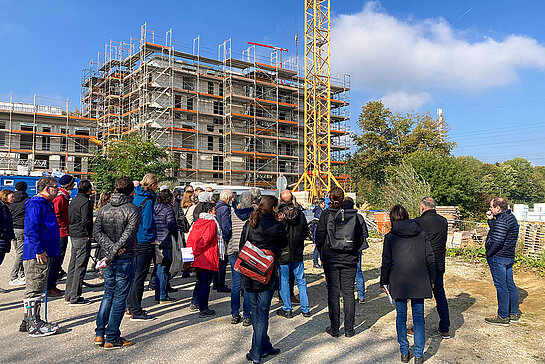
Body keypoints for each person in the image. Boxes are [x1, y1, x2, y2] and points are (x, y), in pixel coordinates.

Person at [380, 204, 436, 364]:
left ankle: (404, 352)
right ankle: (418, 355)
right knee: (418, 317)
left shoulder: (390, 237)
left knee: (401, 317)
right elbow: (430, 257)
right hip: (419, 279)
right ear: (406, 216)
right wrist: (432, 279)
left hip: (399, 280)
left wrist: (383, 282)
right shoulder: (421, 233)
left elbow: (386, 262)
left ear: (392, 219)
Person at [93, 177, 141, 349]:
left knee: (109, 293)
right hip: (123, 256)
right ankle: (111, 335)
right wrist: (114, 249)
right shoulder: (132, 209)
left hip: (111, 255)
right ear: (131, 191)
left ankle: (100, 333)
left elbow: (98, 232)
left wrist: (111, 249)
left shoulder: (104, 208)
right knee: (119, 296)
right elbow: (128, 233)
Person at [241, 195, 287, 364]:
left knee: (256, 313)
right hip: (266, 273)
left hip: (250, 271)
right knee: (262, 314)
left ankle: (264, 346)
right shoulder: (276, 225)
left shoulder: (250, 223)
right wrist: (281, 224)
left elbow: (242, 246)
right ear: (273, 208)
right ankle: (257, 352)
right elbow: (284, 243)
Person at [315, 187, 363, 338]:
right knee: (349, 293)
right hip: (349, 257)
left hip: (331, 258)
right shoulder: (353, 215)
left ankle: (335, 328)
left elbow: (319, 236)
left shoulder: (325, 214)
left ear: (329, 198)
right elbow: (360, 238)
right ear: (343, 199)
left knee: (333, 293)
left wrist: (322, 252)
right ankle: (349, 329)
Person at [22, 176, 60, 337]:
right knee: (35, 287)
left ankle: (27, 321)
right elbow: (31, 228)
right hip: (37, 253)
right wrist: (38, 249)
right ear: (46, 187)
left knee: (37, 286)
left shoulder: (45, 204)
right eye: (54, 187)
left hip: (45, 250)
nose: (57, 189)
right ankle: (34, 325)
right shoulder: (37, 204)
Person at [412, 196, 450, 338]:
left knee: (418, 298)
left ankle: (417, 328)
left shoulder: (418, 222)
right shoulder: (443, 221)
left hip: (422, 264)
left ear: (422, 207)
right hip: (438, 264)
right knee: (440, 295)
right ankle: (445, 327)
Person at [127, 173, 158, 321]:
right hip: (144, 241)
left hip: (132, 240)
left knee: (132, 276)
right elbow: (147, 224)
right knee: (140, 277)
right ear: (153, 185)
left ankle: (129, 306)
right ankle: (136, 310)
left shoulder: (134, 196)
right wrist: (152, 238)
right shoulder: (148, 201)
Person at [484, 197, 520, 326]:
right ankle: (513, 313)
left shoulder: (502, 220)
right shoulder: (509, 218)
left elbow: (498, 240)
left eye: (491, 207)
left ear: (498, 208)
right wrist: (491, 220)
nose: (490, 209)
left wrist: (489, 252)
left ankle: (503, 316)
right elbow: (500, 232)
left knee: (501, 286)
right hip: (508, 256)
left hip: (498, 257)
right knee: (509, 284)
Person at [276, 190, 311, 318]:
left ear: (281, 200)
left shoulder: (279, 215)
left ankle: (287, 308)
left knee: (284, 280)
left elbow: (275, 233)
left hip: (283, 252)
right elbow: (306, 233)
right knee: (301, 280)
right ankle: (305, 308)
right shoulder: (300, 214)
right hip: (297, 251)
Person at [187, 202, 220, 317]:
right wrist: (196, 251)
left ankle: (195, 302)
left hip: (197, 257)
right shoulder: (211, 224)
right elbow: (206, 240)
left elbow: (190, 239)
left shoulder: (197, 222)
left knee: (200, 281)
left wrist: (191, 254)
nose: (215, 211)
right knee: (205, 283)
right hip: (207, 257)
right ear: (209, 211)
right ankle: (203, 308)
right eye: (214, 209)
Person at [64, 180, 94, 305]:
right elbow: (86, 220)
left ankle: (68, 294)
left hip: (74, 233)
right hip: (82, 234)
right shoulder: (85, 202)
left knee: (73, 264)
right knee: (80, 266)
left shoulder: (74, 200)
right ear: (88, 189)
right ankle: (75, 296)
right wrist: (89, 234)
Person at [47, 174, 75, 297]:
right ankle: (50, 287)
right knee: (56, 261)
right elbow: (57, 215)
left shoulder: (64, 196)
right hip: (60, 233)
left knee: (57, 260)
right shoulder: (60, 198)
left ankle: (51, 284)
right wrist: (63, 226)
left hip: (61, 232)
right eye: (73, 183)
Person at [229, 191, 254, 326]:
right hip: (248, 251)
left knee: (236, 285)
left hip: (235, 250)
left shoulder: (233, 215)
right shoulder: (254, 215)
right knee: (247, 285)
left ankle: (234, 313)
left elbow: (229, 231)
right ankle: (247, 315)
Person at [153, 189, 178, 303]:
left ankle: (158, 294)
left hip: (156, 240)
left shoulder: (154, 208)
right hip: (166, 240)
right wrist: (177, 234)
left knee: (158, 267)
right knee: (164, 268)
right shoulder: (168, 210)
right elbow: (171, 225)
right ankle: (163, 295)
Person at [343, 197, 369, 305]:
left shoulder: (341, 218)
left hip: (344, 248)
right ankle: (361, 296)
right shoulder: (359, 217)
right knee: (358, 272)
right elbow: (365, 233)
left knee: (344, 272)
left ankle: (345, 295)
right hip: (357, 248)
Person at [9, 181, 29, 286]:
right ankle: (13, 276)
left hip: (12, 228)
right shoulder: (27, 200)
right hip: (22, 228)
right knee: (21, 253)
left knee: (18, 252)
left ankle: (21, 275)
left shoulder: (11, 200)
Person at [213, 189, 232, 293]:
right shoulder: (225, 208)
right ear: (228, 198)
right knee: (222, 262)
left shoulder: (216, 206)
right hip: (222, 237)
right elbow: (225, 224)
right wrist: (227, 237)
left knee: (217, 261)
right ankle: (220, 284)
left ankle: (216, 283)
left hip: (216, 236)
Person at [0, 189, 15, 293]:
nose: (13, 198)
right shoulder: (1, 208)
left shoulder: (6, 208)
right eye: (11, 196)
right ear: (5, 196)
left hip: (5, 239)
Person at [311, 198, 326, 268]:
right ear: (321, 204)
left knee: (321, 247)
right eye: (324, 203)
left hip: (318, 230)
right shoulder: (319, 211)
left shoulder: (319, 210)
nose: (325, 204)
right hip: (317, 231)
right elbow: (320, 220)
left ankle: (322, 262)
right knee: (317, 247)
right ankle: (315, 262)